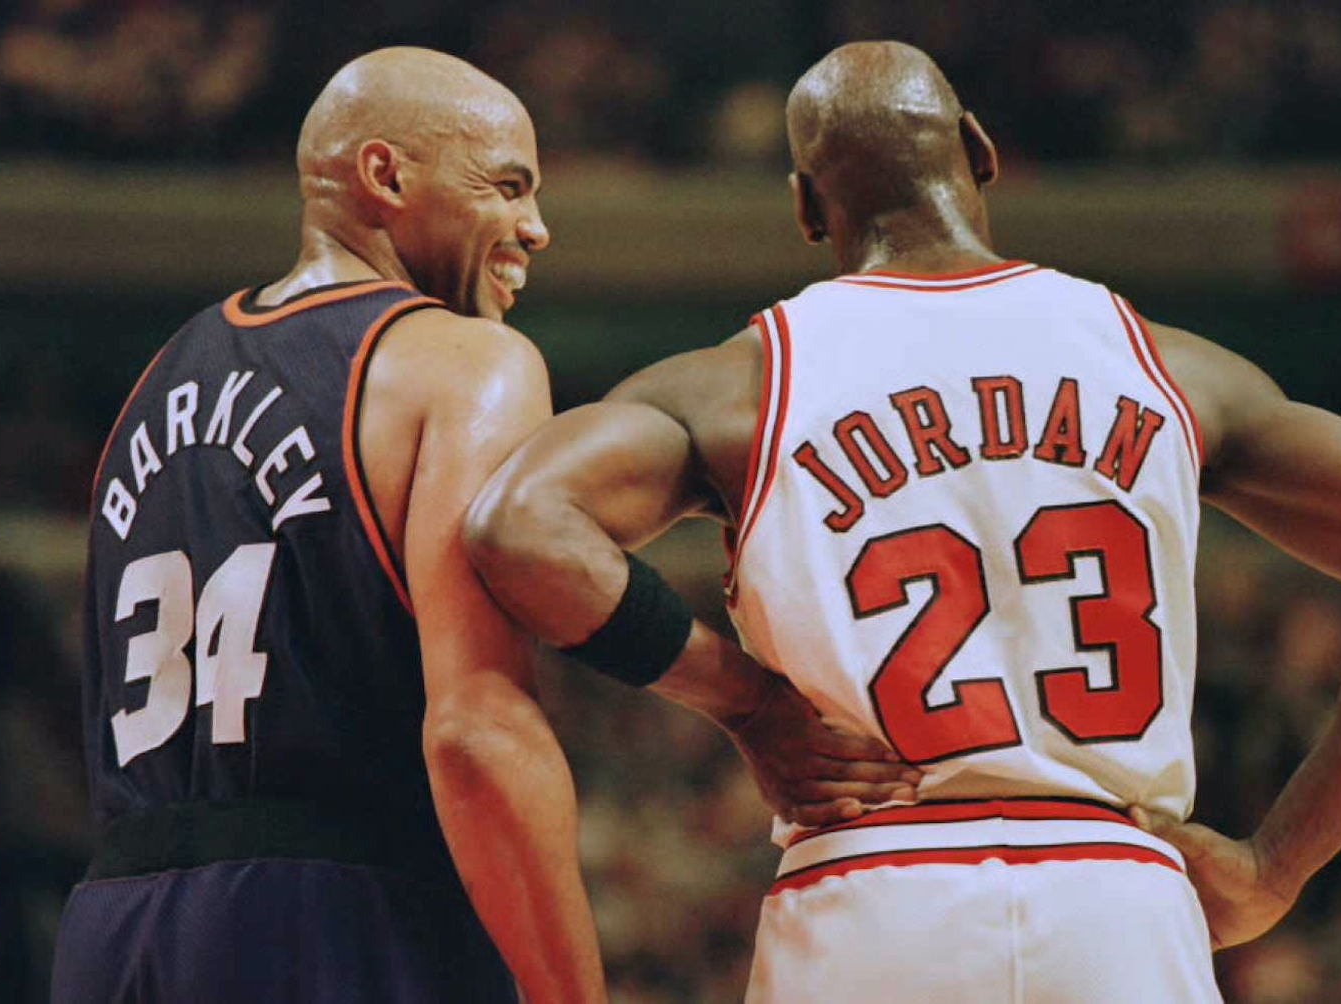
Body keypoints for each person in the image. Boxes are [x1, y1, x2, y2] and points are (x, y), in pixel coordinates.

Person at [464, 40, 1341, 1003]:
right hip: (1117, 893)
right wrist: (1277, 863)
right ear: (982, 152)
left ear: (807, 207)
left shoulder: (742, 383)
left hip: (871, 892)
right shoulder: (1171, 365)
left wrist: (747, 703)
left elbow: (519, 523)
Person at [54, 47, 915, 1004]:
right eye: (506, 187)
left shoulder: (154, 382)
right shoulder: (461, 362)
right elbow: (474, 731)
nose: (537, 228)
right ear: (386, 176)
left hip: (112, 922)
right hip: (326, 915)